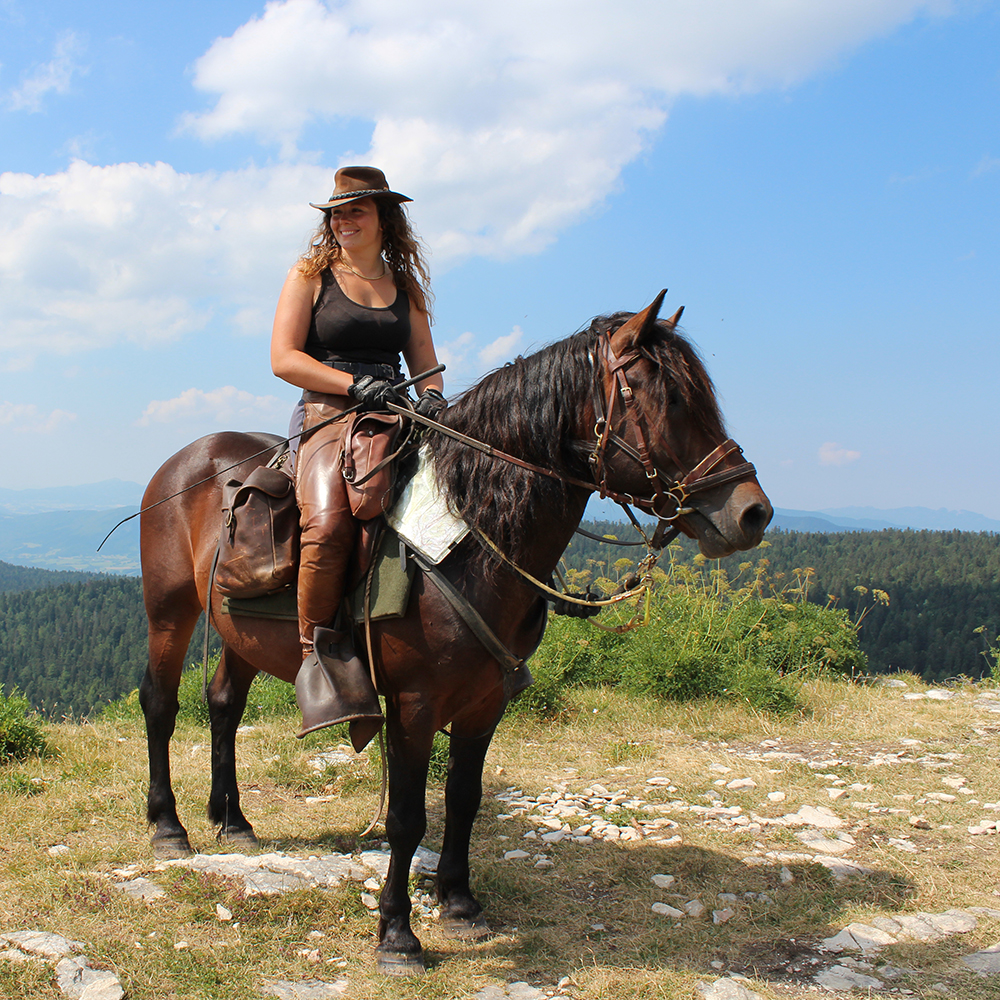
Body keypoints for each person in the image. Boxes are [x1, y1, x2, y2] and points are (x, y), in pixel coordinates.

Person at [270, 166, 445, 745]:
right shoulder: (310, 276)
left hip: (395, 415)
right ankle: (316, 658)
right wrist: (351, 386)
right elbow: (284, 358)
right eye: (336, 213)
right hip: (326, 415)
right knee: (329, 522)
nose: (343, 220)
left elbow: (426, 367)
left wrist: (435, 402)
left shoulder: (406, 287)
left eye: (355, 211)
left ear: (383, 218)